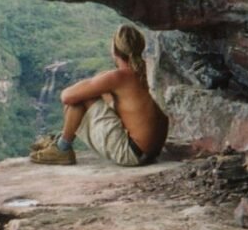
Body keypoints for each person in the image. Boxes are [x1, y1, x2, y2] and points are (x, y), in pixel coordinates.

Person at [30, 25, 168, 167]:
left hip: (132, 154)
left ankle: (62, 148)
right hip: (152, 152)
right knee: (95, 97)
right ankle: (59, 141)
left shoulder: (119, 77)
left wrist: (96, 81)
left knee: (80, 99)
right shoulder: (143, 70)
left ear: (114, 50)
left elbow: (67, 96)